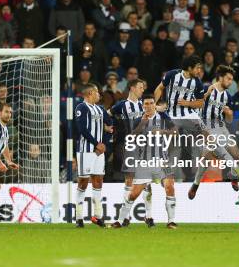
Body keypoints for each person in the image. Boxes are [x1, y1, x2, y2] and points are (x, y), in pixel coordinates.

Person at [113, 94, 178, 229]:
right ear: (143, 106)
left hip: (162, 160)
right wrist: (142, 123)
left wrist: (162, 132)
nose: (148, 106)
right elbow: (131, 137)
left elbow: (175, 132)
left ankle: (171, 221)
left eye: (151, 103)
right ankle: (119, 220)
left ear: (155, 105)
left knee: (170, 187)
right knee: (134, 194)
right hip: (144, 161)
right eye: (146, 104)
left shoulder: (163, 117)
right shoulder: (138, 120)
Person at [189, 65, 239, 198]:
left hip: (221, 126)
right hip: (206, 126)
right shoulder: (208, 87)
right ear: (220, 77)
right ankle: (196, 183)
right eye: (228, 79)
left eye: (231, 80)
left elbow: (229, 120)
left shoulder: (227, 96)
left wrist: (229, 113)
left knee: (236, 154)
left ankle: (232, 174)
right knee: (207, 159)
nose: (230, 82)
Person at [74, 84, 112, 228]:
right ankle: (78, 217)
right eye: (97, 92)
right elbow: (82, 129)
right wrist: (97, 143)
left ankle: (98, 216)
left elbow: (110, 124)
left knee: (98, 181)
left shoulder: (100, 109)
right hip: (86, 150)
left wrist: (104, 142)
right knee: (83, 182)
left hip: (98, 151)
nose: (99, 95)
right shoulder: (81, 108)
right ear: (90, 93)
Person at [108, 79, 145, 226]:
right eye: (140, 87)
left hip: (144, 146)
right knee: (129, 180)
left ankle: (148, 216)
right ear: (132, 88)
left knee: (145, 181)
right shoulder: (122, 105)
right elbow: (107, 114)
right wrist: (109, 128)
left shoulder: (144, 105)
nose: (142, 90)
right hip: (129, 146)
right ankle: (126, 216)